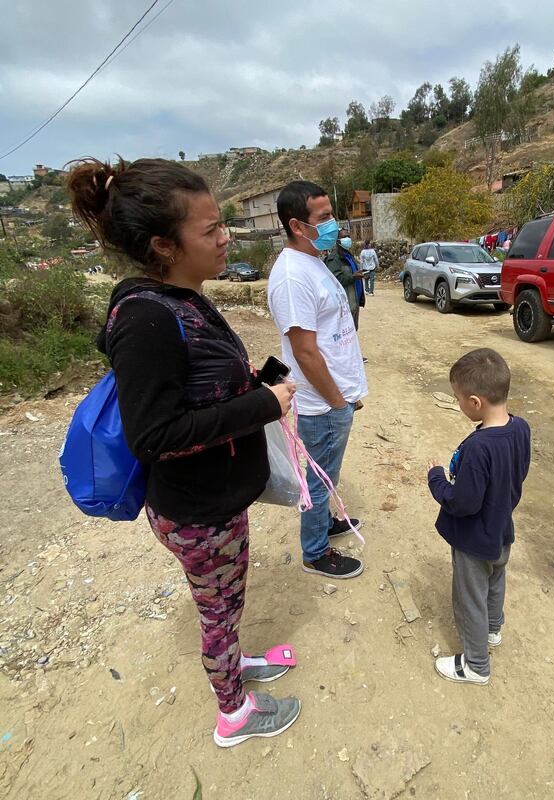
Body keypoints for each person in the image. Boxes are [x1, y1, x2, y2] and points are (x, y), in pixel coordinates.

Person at [67, 157, 301, 747]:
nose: (226, 238)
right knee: (217, 612)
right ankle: (234, 714)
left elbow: (196, 386)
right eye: (210, 229)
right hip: (198, 509)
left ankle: (236, 666)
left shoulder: (182, 298)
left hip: (216, 500)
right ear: (163, 246)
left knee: (227, 597)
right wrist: (264, 406)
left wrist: (252, 384)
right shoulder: (147, 317)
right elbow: (156, 434)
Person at [268, 181, 367, 580]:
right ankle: (315, 551)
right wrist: (338, 402)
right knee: (318, 478)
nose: (333, 224)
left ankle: (325, 526)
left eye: (332, 214)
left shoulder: (314, 260)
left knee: (327, 473)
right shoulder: (292, 277)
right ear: (297, 225)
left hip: (335, 398)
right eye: (323, 218)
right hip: (322, 403)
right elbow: (305, 352)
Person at [427, 349, 531, 684]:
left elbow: (463, 503)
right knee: (495, 580)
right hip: (502, 528)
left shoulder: (478, 447)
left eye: (458, 398)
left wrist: (437, 479)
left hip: (474, 539)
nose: (458, 404)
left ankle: (475, 665)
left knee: (469, 597)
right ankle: (492, 630)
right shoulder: (521, 428)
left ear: (475, 402)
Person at [324, 229, 365, 330]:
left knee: (353, 331)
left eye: (348, 237)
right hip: (345, 307)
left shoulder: (349, 256)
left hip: (354, 303)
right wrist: (353, 277)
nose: (347, 239)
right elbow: (335, 281)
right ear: (337, 240)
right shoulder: (334, 259)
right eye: (344, 237)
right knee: (345, 335)